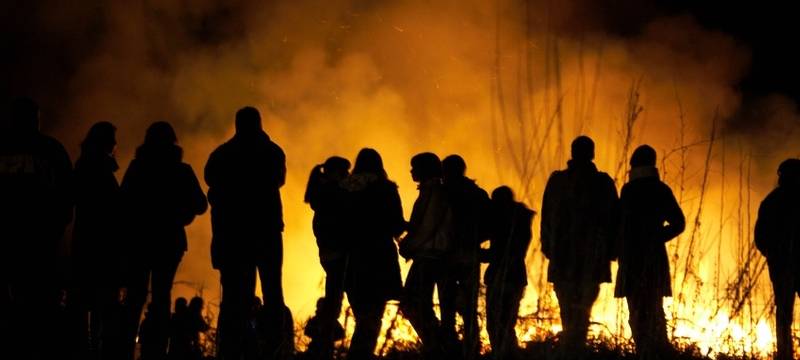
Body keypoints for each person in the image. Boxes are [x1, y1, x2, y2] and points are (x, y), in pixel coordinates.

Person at [205, 106, 291, 359]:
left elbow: (211, 179)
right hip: (266, 233)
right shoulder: (272, 151)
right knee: (272, 292)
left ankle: (233, 349)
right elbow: (278, 179)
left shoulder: (222, 154)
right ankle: (274, 348)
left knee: (235, 298)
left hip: (234, 237)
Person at [120, 121, 208, 360]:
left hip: (139, 241)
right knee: (161, 295)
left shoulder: (137, 168)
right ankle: (157, 351)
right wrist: (181, 214)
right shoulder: (181, 170)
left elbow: (123, 203)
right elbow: (201, 204)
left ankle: (124, 350)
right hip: (170, 242)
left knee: (135, 297)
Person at [0, 97, 73, 359]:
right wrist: (55, 228)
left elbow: (66, 195)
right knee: (37, 303)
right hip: (38, 242)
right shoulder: (51, 150)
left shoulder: (5, 146)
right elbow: (67, 194)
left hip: (17, 240)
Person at [540, 135, 618, 354]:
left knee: (567, 310)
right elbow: (614, 220)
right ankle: (577, 348)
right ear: (592, 153)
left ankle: (569, 349)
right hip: (593, 261)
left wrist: (549, 248)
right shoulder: (603, 182)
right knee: (583, 310)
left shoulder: (557, 181)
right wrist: (610, 253)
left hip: (562, 259)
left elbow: (546, 217)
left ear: (572, 153)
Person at [614, 145, 684, 359]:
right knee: (654, 310)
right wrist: (656, 238)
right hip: (654, 260)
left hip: (631, 260)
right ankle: (659, 351)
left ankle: (644, 351)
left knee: (636, 311)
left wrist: (623, 246)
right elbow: (678, 223)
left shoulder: (628, 190)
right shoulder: (661, 189)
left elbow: (619, 224)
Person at [341, 148, 405, 360]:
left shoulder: (344, 189)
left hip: (352, 260)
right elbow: (396, 225)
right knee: (372, 317)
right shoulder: (386, 189)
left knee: (362, 315)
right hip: (380, 260)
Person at [70, 121, 123, 359]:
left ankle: (85, 348)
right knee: (103, 302)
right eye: (111, 139)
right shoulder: (100, 170)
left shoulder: (83, 166)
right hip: (102, 247)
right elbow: (113, 210)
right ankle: (97, 351)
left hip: (85, 243)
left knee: (85, 301)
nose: (115, 144)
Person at [400, 152, 453, 359]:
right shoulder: (431, 191)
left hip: (431, 256)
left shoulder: (434, 192)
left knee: (412, 302)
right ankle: (439, 344)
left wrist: (409, 245)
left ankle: (436, 345)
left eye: (415, 167)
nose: (412, 171)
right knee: (418, 303)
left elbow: (428, 225)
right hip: (430, 254)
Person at [439, 154, 490, 360]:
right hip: (470, 255)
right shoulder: (477, 194)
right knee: (469, 308)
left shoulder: (441, 194)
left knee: (447, 308)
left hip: (446, 257)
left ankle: (449, 349)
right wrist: (474, 240)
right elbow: (489, 224)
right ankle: (471, 349)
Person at [304, 156, 351, 359]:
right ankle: (324, 346)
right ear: (335, 172)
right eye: (345, 172)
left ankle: (324, 345)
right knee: (335, 300)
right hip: (338, 253)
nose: (348, 176)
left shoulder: (321, 194)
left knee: (334, 297)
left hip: (328, 254)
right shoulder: (332, 193)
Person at [754, 158, 800, 360]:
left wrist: (773, 256)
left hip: (781, 267)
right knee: (783, 314)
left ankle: (784, 354)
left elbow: (760, 238)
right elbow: (761, 238)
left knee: (783, 314)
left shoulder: (771, 201)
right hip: (789, 264)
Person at [482, 186, 534, 360]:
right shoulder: (521, 220)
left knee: (496, 323)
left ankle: (504, 354)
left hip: (501, 276)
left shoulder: (502, 220)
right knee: (506, 322)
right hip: (517, 276)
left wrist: (480, 254)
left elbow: (502, 252)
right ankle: (508, 353)